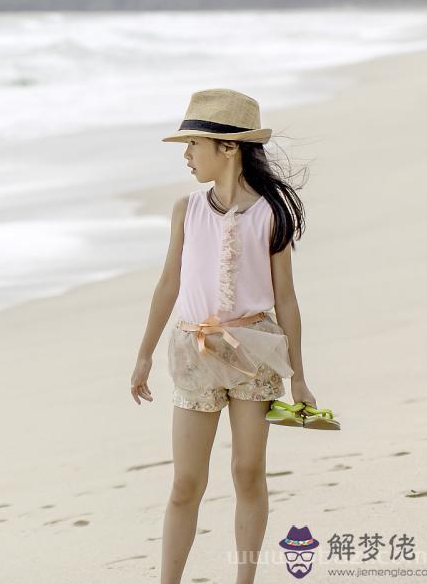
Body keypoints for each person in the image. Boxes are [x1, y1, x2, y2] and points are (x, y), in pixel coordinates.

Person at [130, 88, 312, 584]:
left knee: (248, 474)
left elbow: (287, 300)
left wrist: (298, 378)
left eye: (194, 145)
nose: (187, 156)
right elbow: (169, 283)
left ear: (228, 147)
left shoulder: (269, 213)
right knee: (186, 482)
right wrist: (144, 354)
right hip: (194, 352)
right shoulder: (185, 209)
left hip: (255, 351)